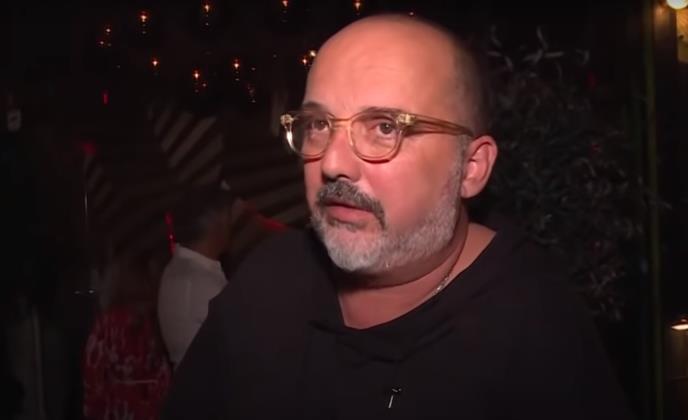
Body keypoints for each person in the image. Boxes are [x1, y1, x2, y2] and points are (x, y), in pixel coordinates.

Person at [161, 14, 634, 419]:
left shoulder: (537, 334)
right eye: (319, 124)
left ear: (471, 167)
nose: (332, 163)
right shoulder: (267, 282)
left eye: (385, 127)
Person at [82, 255, 171, 420]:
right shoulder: (159, 318)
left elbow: (92, 378)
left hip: (117, 410)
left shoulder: (107, 324)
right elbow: (166, 376)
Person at [157, 186, 234, 367]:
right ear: (217, 224)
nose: (232, 225)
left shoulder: (177, 269)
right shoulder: (202, 282)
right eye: (228, 217)